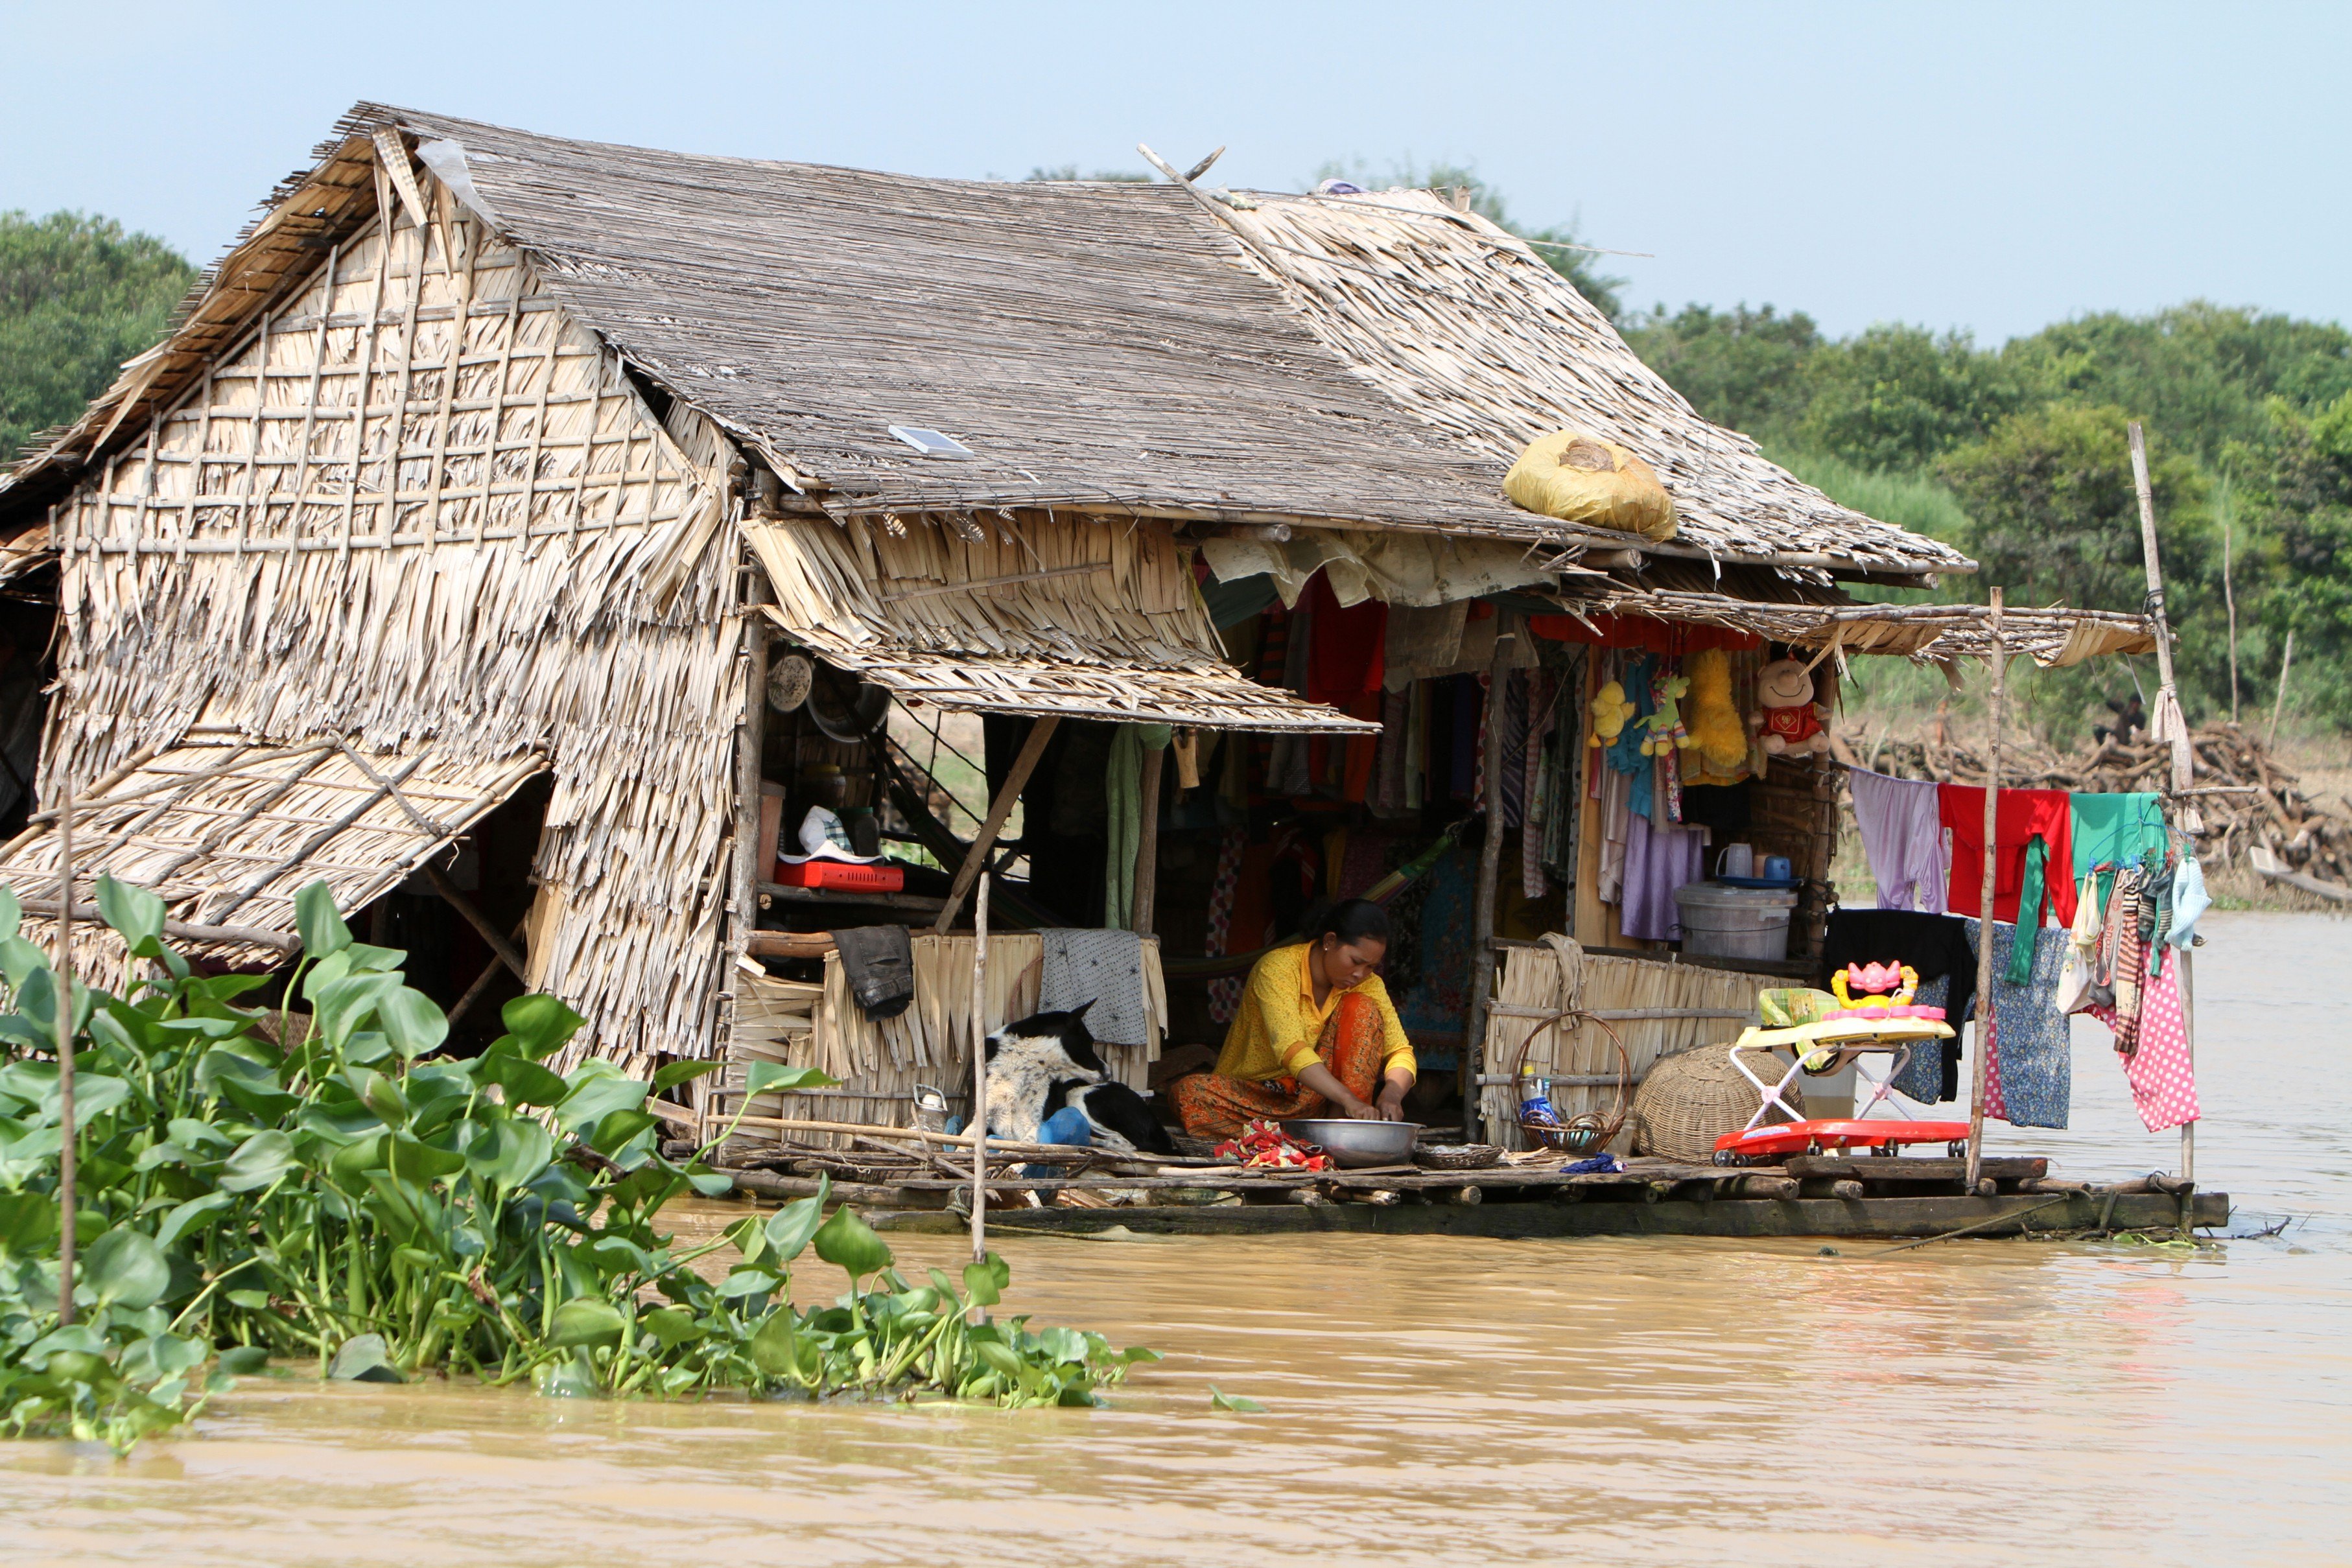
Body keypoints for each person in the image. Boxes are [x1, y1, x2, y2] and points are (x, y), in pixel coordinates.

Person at [1170, 898, 1417, 1140]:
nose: (1360, 974)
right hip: (1257, 1098)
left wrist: (1392, 1094)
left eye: (1371, 967)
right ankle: (1302, 1139)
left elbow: (1400, 1051)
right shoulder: (1278, 968)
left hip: (1329, 1104)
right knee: (1189, 1093)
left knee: (1361, 1008)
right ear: (1330, 941)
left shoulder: (1368, 985)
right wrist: (1347, 1097)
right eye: (1356, 962)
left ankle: (1338, 1132)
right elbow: (1292, 1050)